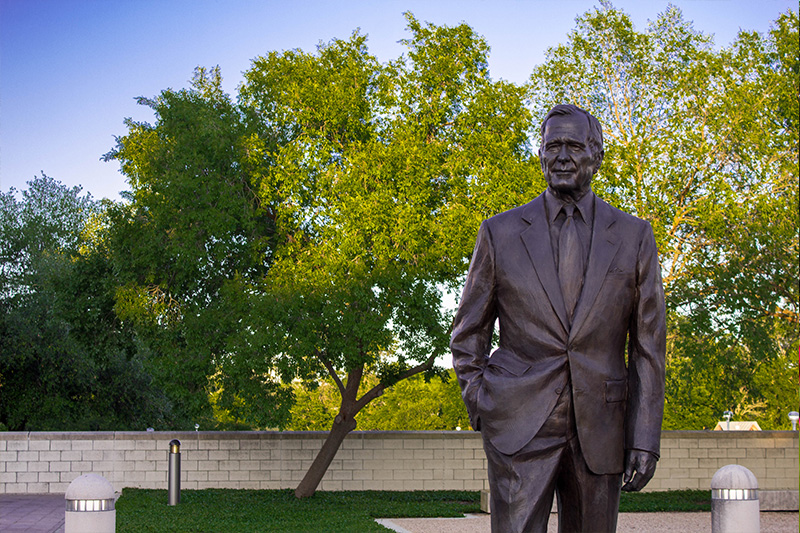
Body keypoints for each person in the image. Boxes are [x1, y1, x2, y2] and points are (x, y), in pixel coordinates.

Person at [451, 104, 666, 532]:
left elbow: (647, 348)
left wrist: (644, 437)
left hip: (600, 430)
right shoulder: (500, 233)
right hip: (518, 423)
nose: (561, 156)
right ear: (542, 155)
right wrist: (483, 403)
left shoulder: (633, 236)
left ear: (596, 155)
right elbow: (468, 333)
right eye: (552, 146)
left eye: (572, 145)